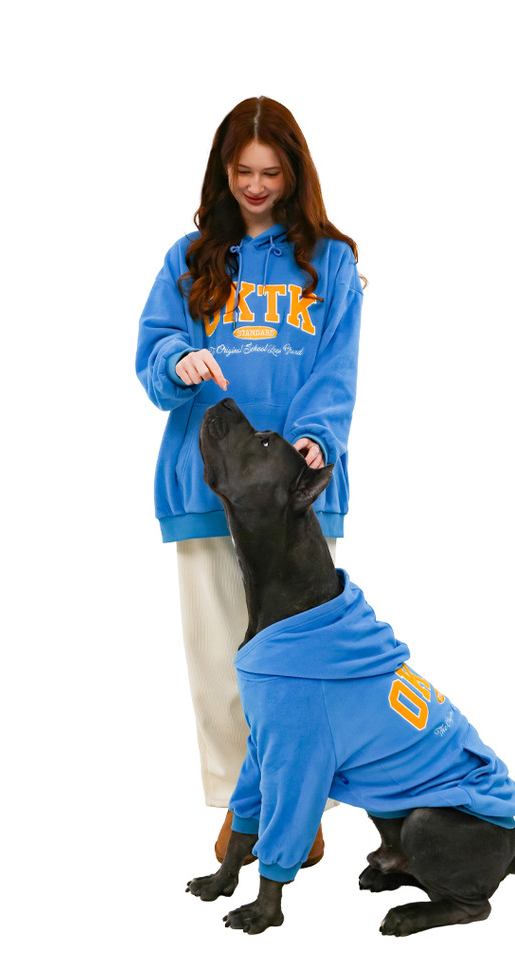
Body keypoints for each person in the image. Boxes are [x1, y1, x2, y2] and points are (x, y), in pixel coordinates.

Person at [135, 96, 363, 864]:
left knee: (298, 660)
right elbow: (155, 349)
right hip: (207, 488)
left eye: (271, 172)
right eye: (243, 171)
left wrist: (315, 438)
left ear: (295, 173)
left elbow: (336, 369)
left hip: (297, 495)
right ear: (223, 171)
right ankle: (245, 806)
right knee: (222, 663)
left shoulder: (331, 262)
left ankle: (301, 802)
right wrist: (177, 360)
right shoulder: (190, 258)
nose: (257, 186)